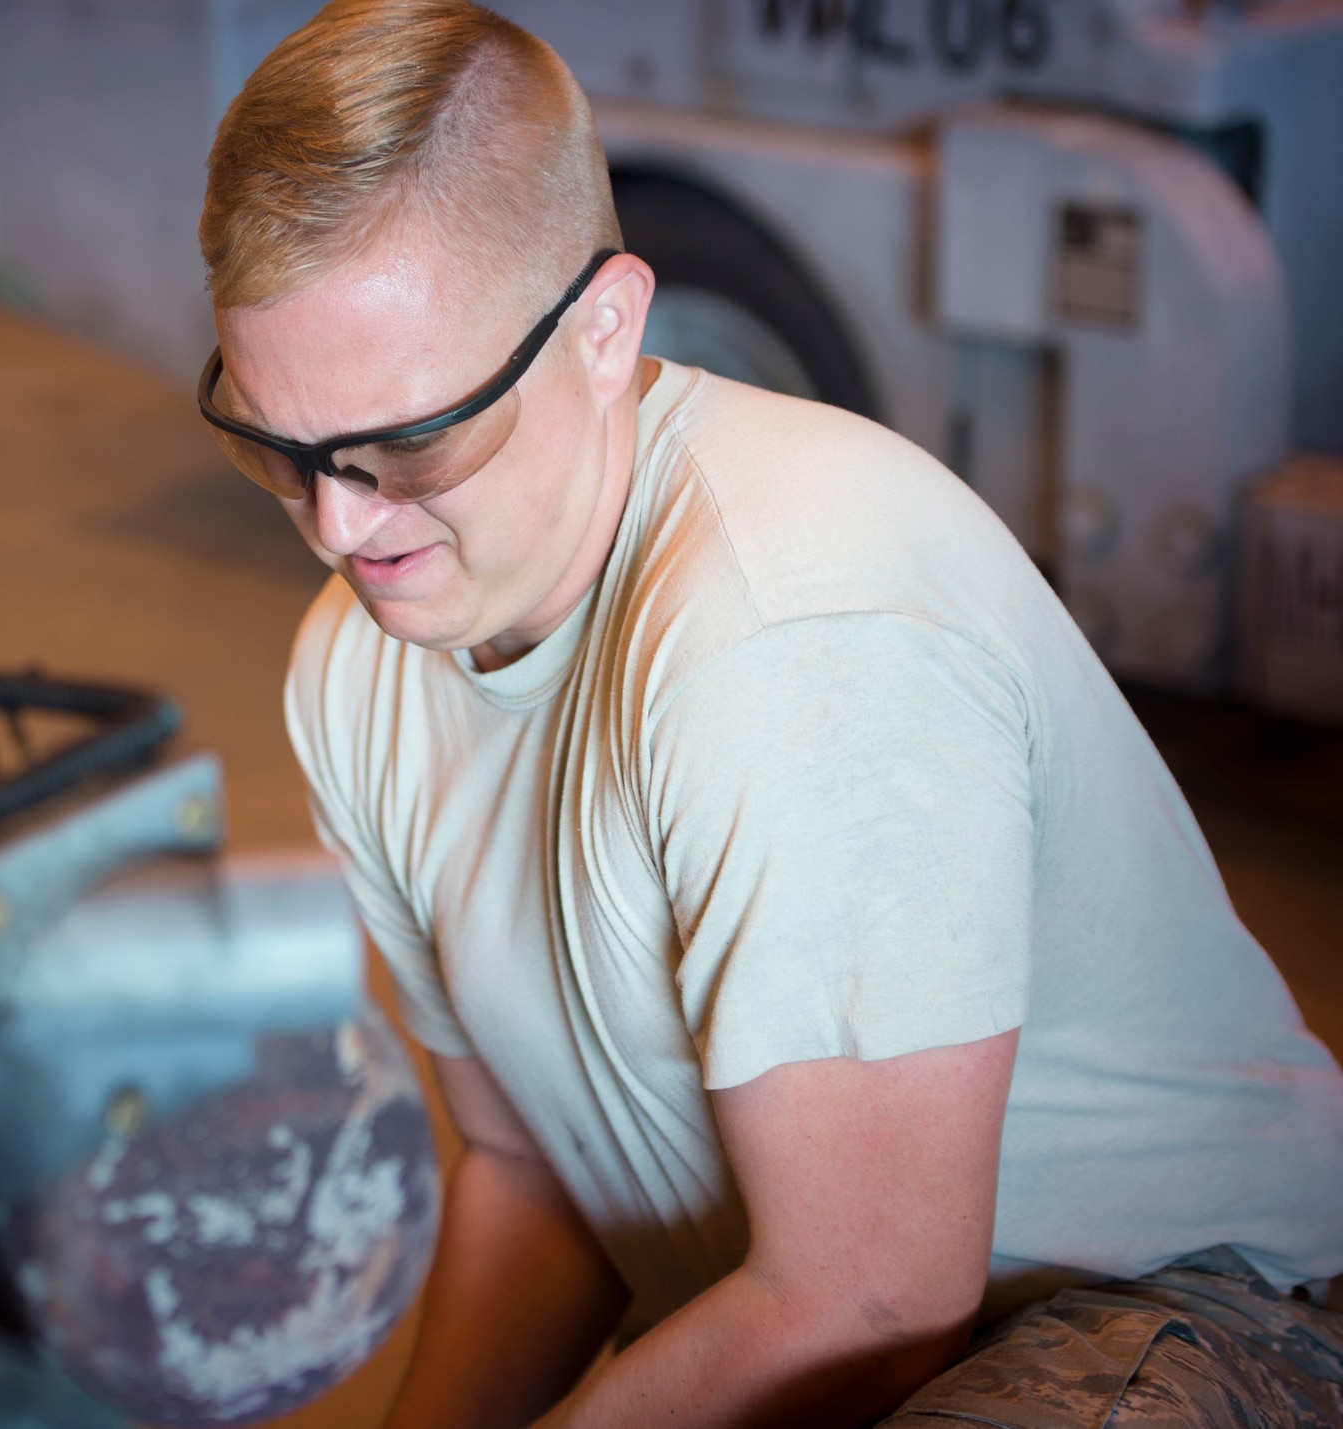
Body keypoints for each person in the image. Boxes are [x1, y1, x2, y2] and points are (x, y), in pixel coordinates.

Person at [194, 2, 1343, 1424]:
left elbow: (871, 1293)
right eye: (278, 447)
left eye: (411, 442)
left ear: (606, 328)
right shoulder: (356, 666)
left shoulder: (786, 623)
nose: (337, 520)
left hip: (1201, 1319)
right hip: (833, 1321)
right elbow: (535, 1168)